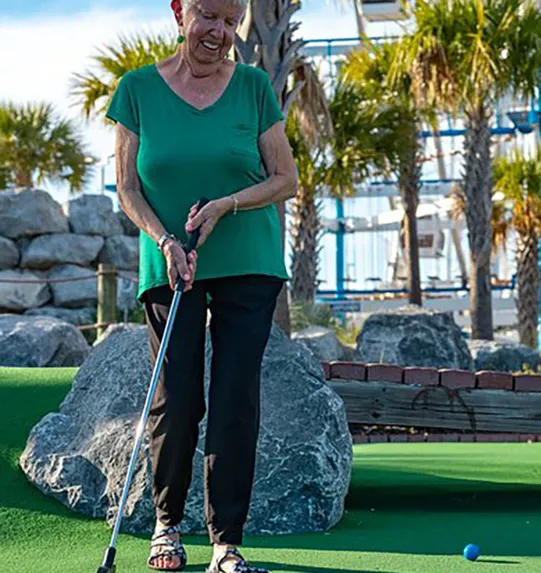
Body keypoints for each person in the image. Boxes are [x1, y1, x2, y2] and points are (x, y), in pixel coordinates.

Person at [106, 0, 296, 571]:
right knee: (177, 396)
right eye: (207, 15)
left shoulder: (255, 87)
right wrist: (165, 241)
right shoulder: (136, 89)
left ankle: (226, 543)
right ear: (179, 12)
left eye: (229, 17)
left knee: (236, 398)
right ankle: (167, 528)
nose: (218, 30)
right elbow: (127, 187)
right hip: (169, 260)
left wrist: (225, 205)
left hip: (248, 258)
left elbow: (285, 179)